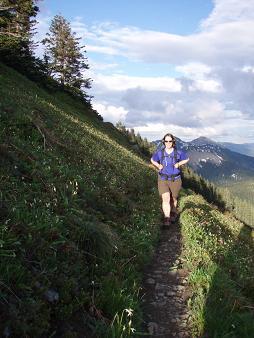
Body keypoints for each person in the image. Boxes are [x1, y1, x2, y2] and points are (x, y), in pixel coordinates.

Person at [151, 133, 189, 227]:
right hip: (163, 179)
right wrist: (158, 165)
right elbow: (152, 159)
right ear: (164, 142)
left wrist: (179, 164)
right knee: (166, 198)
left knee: (174, 198)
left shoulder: (178, 153)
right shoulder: (160, 153)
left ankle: (173, 212)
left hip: (175, 179)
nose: (168, 143)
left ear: (173, 142)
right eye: (166, 141)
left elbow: (187, 159)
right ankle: (166, 218)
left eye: (170, 141)